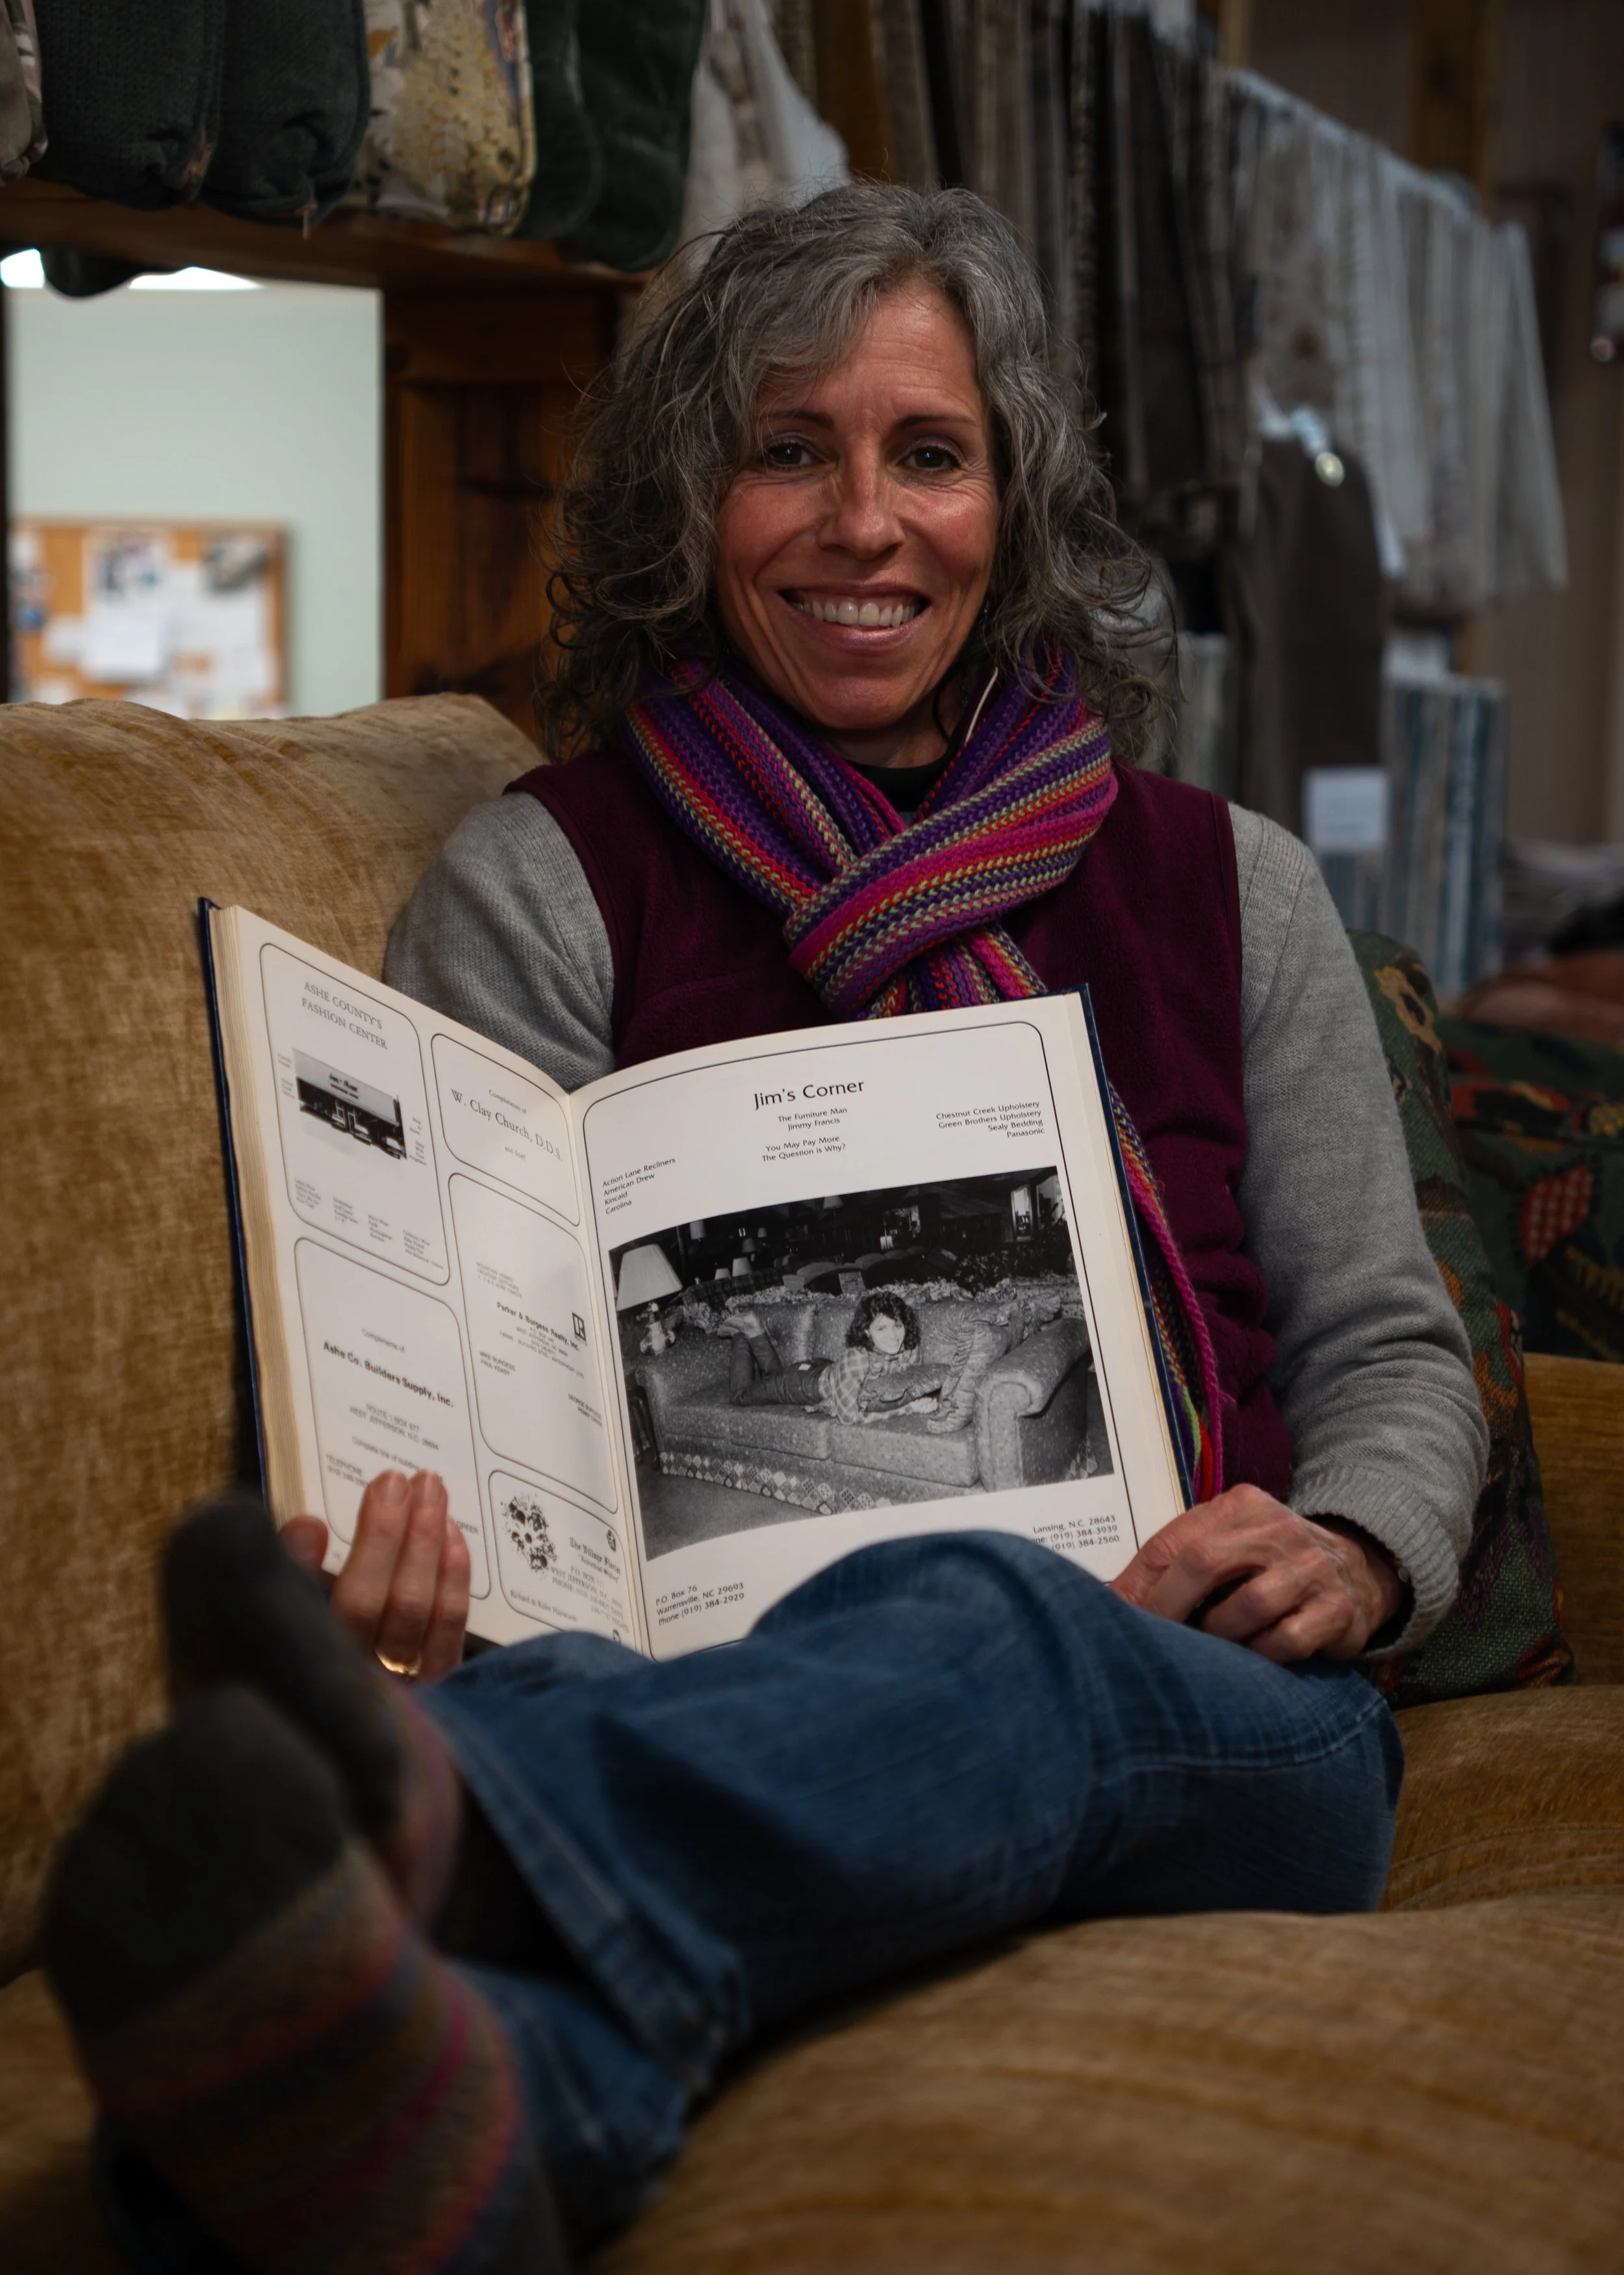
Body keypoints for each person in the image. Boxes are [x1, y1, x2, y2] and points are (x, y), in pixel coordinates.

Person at [45, 187, 1487, 2275]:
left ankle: (433, 1822)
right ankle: (447, 2125)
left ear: (1015, 503)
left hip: (1204, 1704)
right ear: (687, 502)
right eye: (784, 447)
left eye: (927, 451)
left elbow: (1383, 1339)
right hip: (695, 1687)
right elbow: (474, 1368)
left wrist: (1350, 1545)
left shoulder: (1226, 882)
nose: (859, 521)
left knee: (990, 1612)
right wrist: (412, 1546)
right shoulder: (546, 881)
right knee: (709, 1791)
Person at [722, 1290, 941, 1419]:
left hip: (826, 1369)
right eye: (882, 1329)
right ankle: (743, 1334)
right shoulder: (858, 1360)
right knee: (740, 1396)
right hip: (802, 1384)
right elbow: (851, 1418)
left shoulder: (909, 1351)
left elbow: (915, 1381)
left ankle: (754, 1330)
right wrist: (908, 1409)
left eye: (898, 1326)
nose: (894, 1336)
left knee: (774, 1378)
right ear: (867, 1331)